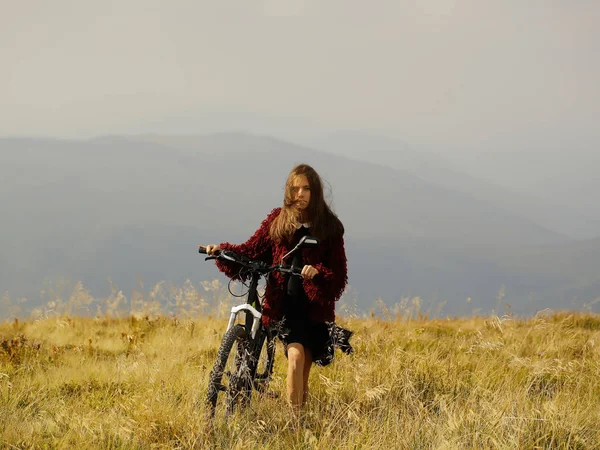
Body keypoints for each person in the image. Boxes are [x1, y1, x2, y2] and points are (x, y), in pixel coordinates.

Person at [202, 163, 351, 410]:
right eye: (295, 188)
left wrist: (318, 273)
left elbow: (338, 275)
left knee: (303, 371)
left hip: (313, 310)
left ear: (315, 192)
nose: (300, 194)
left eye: (306, 188)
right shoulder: (278, 220)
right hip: (284, 305)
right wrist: (222, 251)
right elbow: (251, 250)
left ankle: (298, 424)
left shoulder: (329, 227)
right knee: (295, 357)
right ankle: (293, 429)